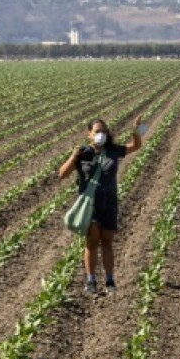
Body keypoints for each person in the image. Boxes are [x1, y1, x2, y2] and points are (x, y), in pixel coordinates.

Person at [58, 115, 147, 295]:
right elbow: (62, 174)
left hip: (109, 203)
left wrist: (136, 131)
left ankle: (109, 280)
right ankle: (91, 280)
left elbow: (136, 146)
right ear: (89, 134)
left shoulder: (112, 150)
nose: (101, 135)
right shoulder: (83, 153)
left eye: (104, 131)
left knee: (107, 243)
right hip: (90, 205)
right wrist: (73, 156)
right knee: (91, 243)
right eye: (97, 132)